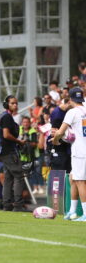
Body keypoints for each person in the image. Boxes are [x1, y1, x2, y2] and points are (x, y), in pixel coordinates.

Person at [52, 87, 86, 221]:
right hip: (83, 149)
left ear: (70, 99)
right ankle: (72, 211)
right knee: (73, 178)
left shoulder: (72, 112)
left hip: (79, 151)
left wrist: (55, 140)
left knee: (80, 181)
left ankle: (85, 213)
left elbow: (60, 132)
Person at [0, 96, 26, 211]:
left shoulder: (4, 116)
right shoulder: (7, 117)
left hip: (3, 151)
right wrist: (19, 141)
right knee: (19, 176)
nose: (15, 105)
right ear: (7, 105)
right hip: (8, 151)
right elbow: (6, 135)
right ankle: (18, 205)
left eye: (16, 103)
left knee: (8, 178)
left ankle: (7, 204)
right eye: (13, 103)